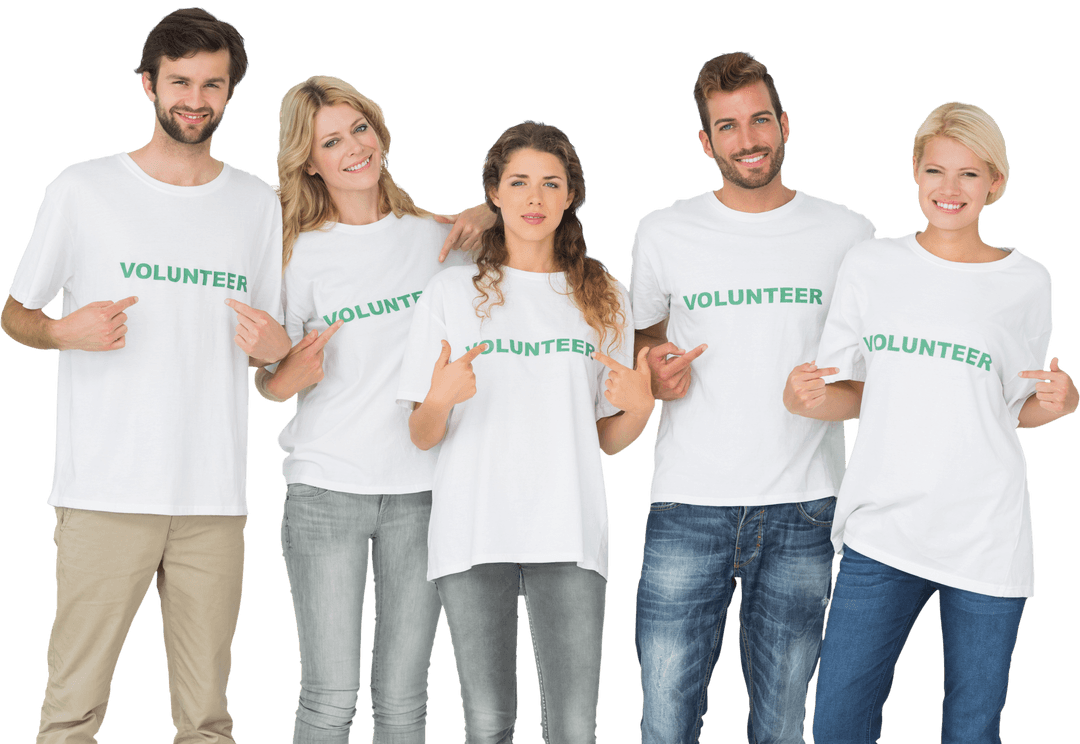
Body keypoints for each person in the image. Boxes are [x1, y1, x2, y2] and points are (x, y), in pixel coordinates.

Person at [0, 8, 292, 744]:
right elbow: (15, 312)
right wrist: (64, 330)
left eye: (213, 84)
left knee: (207, 719)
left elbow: (270, 350)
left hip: (214, 498)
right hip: (105, 490)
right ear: (148, 84)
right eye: (180, 81)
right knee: (71, 713)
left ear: (231, 95)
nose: (195, 98)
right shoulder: (84, 187)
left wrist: (276, 344)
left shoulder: (257, 203)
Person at [784, 101, 1078, 744]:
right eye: (936, 171)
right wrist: (803, 398)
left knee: (972, 728)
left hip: (984, 530)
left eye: (970, 175)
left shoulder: (1028, 281)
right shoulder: (872, 265)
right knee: (838, 719)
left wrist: (1057, 404)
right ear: (914, 173)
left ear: (995, 184)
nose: (950, 189)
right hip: (882, 527)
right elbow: (846, 391)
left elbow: (1011, 409)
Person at [629, 51, 875, 743]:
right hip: (686, 507)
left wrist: (828, 395)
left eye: (760, 119)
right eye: (728, 127)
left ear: (785, 124)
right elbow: (643, 344)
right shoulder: (663, 231)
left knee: (782, 728)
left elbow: (878, 378)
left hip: (804, 509)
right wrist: (658, 370)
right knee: (664, 725)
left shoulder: (849, 234)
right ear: (707, 142)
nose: (749, 139)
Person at [397, 120, 653, 744]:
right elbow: (421, 434)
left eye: (550, 184)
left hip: (568, 529)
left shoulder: (604, 296)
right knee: (488, 726)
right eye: (519, 183)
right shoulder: (451, 292)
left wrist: (641, 408)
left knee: (573, 726)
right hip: (474, 526)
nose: (534, 199)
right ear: (494, 194)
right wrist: (439, 398)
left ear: (571, 197)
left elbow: (606, 439)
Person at [254, 74, 493, 744]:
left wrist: (492, 213)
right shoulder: (296, 256)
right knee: (330, 700)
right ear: (310, 160)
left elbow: (534, 238)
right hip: (326, 490)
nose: (353, 147)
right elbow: (272, 384)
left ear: (380, 134)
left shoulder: (435, 239)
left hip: (422, 494)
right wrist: (288, 373)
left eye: (360, 129)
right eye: (332, 140)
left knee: (403, 701)